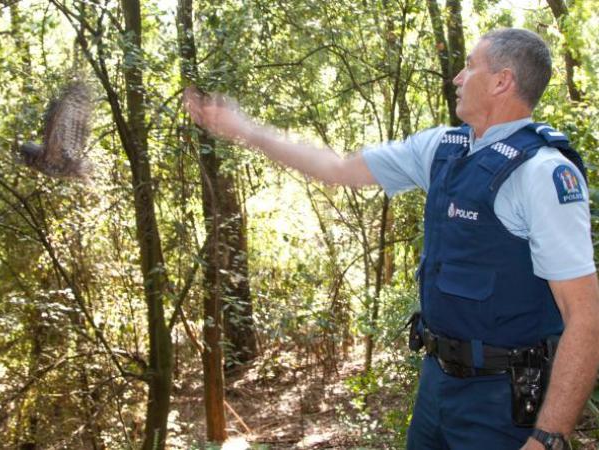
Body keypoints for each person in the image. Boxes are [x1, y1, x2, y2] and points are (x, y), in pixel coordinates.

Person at [184, 28, 599, 450]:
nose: (458, 76)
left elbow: (585, 315)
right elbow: (338, 169)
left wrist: (549, 438)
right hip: (436, 386)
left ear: (501, 81)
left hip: (502, 402)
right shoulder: (442, 149)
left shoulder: (543, 173)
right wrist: (246, 130)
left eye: (470, 66)